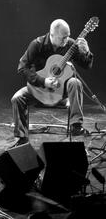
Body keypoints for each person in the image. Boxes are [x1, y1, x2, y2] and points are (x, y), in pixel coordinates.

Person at [11, 19, 93, 147]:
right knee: (17, 98)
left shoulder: (71, 45)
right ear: (52, 34)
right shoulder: (37, 44)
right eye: (63, 38)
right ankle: (22, 138)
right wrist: (43, 81)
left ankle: (76, 126)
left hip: (61, 92)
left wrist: (87, 52)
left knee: (75, 82)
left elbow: (86, 66)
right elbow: (22, 68)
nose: (66, 41)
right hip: (38, 90)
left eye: (68, 37)